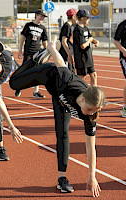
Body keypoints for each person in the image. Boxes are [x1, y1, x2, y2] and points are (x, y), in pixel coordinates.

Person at [9, 40, 104, 197]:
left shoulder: (91, 114)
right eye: (89, 109)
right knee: (13, 84)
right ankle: (35, 60)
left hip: (59, 99)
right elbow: (60, 63)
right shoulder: (70, 81)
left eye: (94, 111)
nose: (91, 114)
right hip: (49, 74)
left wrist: (92, 176)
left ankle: (62, 177)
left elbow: (90, 148)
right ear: (82, 100)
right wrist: (52, 48)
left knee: (62, 134)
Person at [0, 40, 23, 160]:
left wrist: (11, 125)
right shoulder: (4, 54)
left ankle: (0, 148)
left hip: (10, 65)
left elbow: (0, 102)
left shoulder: (7, 62)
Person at [17, 9, 48, 98]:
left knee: (37, 71)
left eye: (43, 17)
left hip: (37, 52)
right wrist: (20, 50)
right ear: (36, 15)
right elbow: (22, 37)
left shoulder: (43, 28)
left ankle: (36, 91)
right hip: (28, 52)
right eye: (41, 16)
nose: (42, 18)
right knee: (24, 70)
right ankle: (18, 86)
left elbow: (44, 41)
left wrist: (46, 53)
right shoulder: (28, 25)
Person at [73, 9, 99, 86]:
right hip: (81, 57)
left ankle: (94, 94)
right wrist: (90, 40)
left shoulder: (85, 28)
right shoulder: (77, 29)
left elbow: (90, 37)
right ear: (81, 18)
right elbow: (82, 45)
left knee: (93, 75)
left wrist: (95, 41)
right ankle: (79, 94)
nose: (89, 19)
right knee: (82, 77)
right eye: (87, 18)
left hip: (88, 56)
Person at [59, 8, 78, 73]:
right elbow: (64, 41)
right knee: (68, 72)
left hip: (67, 51)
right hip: (65, 53)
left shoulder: (69, 26)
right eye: (77, 17)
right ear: (73, 16)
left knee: (71, 71)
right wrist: (69, 54)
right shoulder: (67, 26)